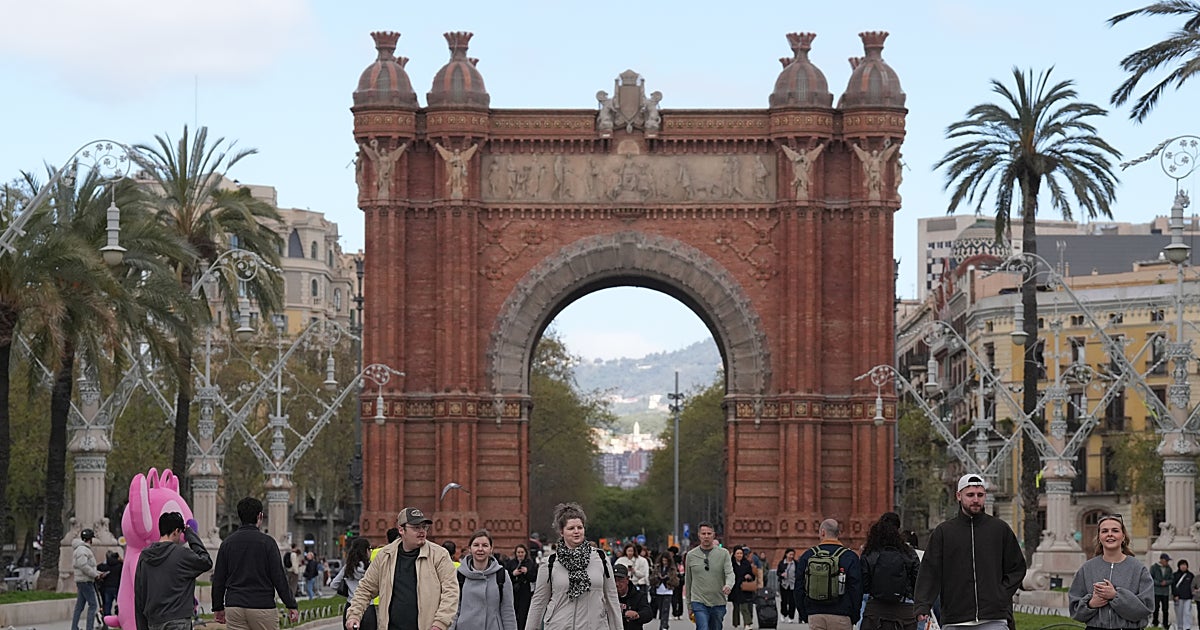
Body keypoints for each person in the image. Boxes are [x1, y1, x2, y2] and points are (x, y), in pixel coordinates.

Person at [914, 474, 1025, 630]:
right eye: (970, 495)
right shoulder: (944, 532)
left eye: (980, 495)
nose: (975, 500)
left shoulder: (999, 529)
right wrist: (922, 605)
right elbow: (930, 571)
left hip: (993, 618)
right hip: (955, 619)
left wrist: (1000, 594)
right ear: (959, 496)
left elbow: (1017, 567)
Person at [345, 507, 458, 630]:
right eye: (416, 527)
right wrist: (354, 615)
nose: (422, 531)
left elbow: (451, 592)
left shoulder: (439, 555)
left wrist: (440, 624)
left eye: (424, 527)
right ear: (401, 530)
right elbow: (366, 588)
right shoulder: (385, 555)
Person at [524, 502, 621, 630]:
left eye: (580, 527)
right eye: (571, 528)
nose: (576, 532)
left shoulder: (601, 558)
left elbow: (612, 599)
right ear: (561, 532)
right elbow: (539, 602)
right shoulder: (550, 563)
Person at [212, 497, 299, 630]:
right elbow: (279, 577)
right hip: (262, 605)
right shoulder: (268, 543)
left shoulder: (227, 544)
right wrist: (290, 604)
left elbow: (219, 578)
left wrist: (217, 607)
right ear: (260, 516)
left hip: (235, 605)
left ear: (239, 516)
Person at [1067, 514, 1152, 630]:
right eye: (1104, 531)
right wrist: (1090, 604)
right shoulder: (1087, 568)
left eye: (1115, 530)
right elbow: (1075, 609)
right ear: (1099, 537)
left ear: (1123, 537)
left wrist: (1115, 596)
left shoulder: (1138, 569)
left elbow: (1145, 609)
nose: (1110, 534)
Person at [134, 512, 214, 630]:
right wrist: (191, 535)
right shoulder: (182, 554)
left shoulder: (145, 556)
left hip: (154, 620)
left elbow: (139, 593)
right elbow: (206, 562)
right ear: (176, 531)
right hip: (178, 619)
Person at [796, 519, 862, 630]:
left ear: (822, 532)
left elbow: (798, 588)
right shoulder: (850, 556)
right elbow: (856, 589)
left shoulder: (808, 555)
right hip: (842, 614)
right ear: (839, 534)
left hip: (815, 614)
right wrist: (854, 616)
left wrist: (805, 613)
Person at [860, 514, 920, 630]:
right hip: (905, 613)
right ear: (898, 530)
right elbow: (918, 580)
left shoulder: (870, 553)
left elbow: (864, 584)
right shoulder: (909, 553)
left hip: (875, 613)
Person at [451, 529, 516, 630]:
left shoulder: (501, 575)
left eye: (485, 545)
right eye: (476, 545)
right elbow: (454, 610)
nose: (480, 549)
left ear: (491, 549)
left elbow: (507, 611)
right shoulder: (459, 575)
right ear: (470, 549)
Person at [684, 522, 735, 630]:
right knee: (703, 627)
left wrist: (728, 585)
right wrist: (689, 605)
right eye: (703, 534)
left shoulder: (723, 553)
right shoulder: (691, 555)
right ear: (699, 535)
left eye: (709, 533)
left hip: (718, 601)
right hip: (698, 601)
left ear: (713, 535)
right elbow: (688, 580)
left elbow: (730, 573)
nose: (706, 536)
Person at [332, 537, 374, 630]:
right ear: (366, 550)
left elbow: (333, 584)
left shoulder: (348, 567)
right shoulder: (371, 568)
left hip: (350, 606)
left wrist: (348, 591)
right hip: (368, 607)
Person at [72, 528, 105, 630]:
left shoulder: (82, 549)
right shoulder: (82, 550)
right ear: (89, 539)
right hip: (85, 581)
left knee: (79, 606)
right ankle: (89, 628)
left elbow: (88, 566)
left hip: (84, 580)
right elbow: (83, 566)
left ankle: (74, 627)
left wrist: (98, 573)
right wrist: (95, 575)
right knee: (93, 605)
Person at [614, 564, 655, 630]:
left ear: (627, 579)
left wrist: (637, 615)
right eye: (614, 580)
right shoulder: (607, 597)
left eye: (620, 580)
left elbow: (648, 614)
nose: (617, 584)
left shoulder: (639, 595)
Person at [506, 544, 537, 630]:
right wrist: (513, 574)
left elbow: (534, 578)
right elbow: (505, 577)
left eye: (522, 552)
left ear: (525, 553)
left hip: (525, 591)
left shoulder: (530, 563)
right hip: (513, 591)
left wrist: (527, 572)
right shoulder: (511, 563)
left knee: (524, 612)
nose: (520, 554)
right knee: (513, 612)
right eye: (518, 552)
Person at [649, 552, 679, 630]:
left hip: (668, 590)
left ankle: (664, 626)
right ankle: (664, 624)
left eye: (666, 561)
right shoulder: (657, 567)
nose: (664, 562)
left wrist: (668, 578)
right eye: (663, 560)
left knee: (665, 609)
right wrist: (657, 578)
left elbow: (675, 580)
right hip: (659, 589)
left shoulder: (672, 568)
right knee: (661, 608)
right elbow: (651, 578)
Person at [730, 547, 756, 630]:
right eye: (737, 553)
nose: (739, 555)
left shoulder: (746, 563)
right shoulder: (730, 564)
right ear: (734, 555)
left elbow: (752, 575)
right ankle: (736, 623)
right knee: (736, 607)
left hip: (744, 587)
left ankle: (747, 623)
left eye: (741, 553)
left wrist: (749, 576)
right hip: (734, 588)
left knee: (744, 606)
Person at [98, 550, 123, 617]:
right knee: (120, 604)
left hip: (107, 587)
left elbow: (99, 567)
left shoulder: (106, 565)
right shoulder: (120, 565)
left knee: (107, 605)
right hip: (117, 587)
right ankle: (121, 617)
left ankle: (107, 619)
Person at [1152, 553, 1173, 629]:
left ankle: (1165, 623)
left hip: (1165, 592)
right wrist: (1159, 583)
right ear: (1161, 560)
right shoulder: (1154, 567)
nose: (1167, 562)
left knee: (1165, 609)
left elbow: (1171, 579)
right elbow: (1150, 578)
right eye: (1166, 560)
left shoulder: (1169, 568)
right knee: (1156, 608)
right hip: (1156, 591)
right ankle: (1155, 622)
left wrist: (1166, 582)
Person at [1173, 560, 1195, 630]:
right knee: (1179, 614)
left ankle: (1187, 627)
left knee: (1187, 613)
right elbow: (1173, 586)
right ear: (1179, 566)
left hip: (1188, 597)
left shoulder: (1190, 575)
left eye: (1185, 565)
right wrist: (1175, 595)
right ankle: (1180, 627)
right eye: (1182, 565)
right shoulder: (1175, 575)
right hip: (1178, 597)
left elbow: (1193, 585)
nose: (1183, 566)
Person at [777, 549, 798, 624]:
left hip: (793, 584)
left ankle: (791, 616)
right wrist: (781, 575)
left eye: (792, 555)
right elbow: (778, 572)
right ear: (786, 554)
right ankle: (783, 613)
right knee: (784, 600)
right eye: (790, 554)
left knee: (792, 601)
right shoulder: (782, 563)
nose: (791, 556)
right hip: (784, 584)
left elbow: (798, 572)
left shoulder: (795, 563)